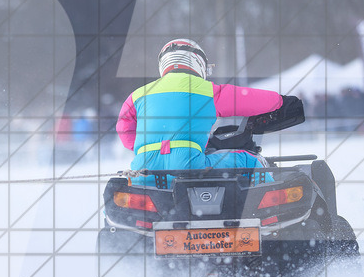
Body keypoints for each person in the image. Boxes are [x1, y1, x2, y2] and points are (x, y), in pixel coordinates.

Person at [115, 39, 286, 180]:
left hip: (144, 173)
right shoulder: (207, 90)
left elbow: (123, 128)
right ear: (198, 62)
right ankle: (270, 208)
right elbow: (251, 99)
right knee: (249, 160)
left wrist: (150, 148)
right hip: (187, 167)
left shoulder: (138, 95)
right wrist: (281, 101)